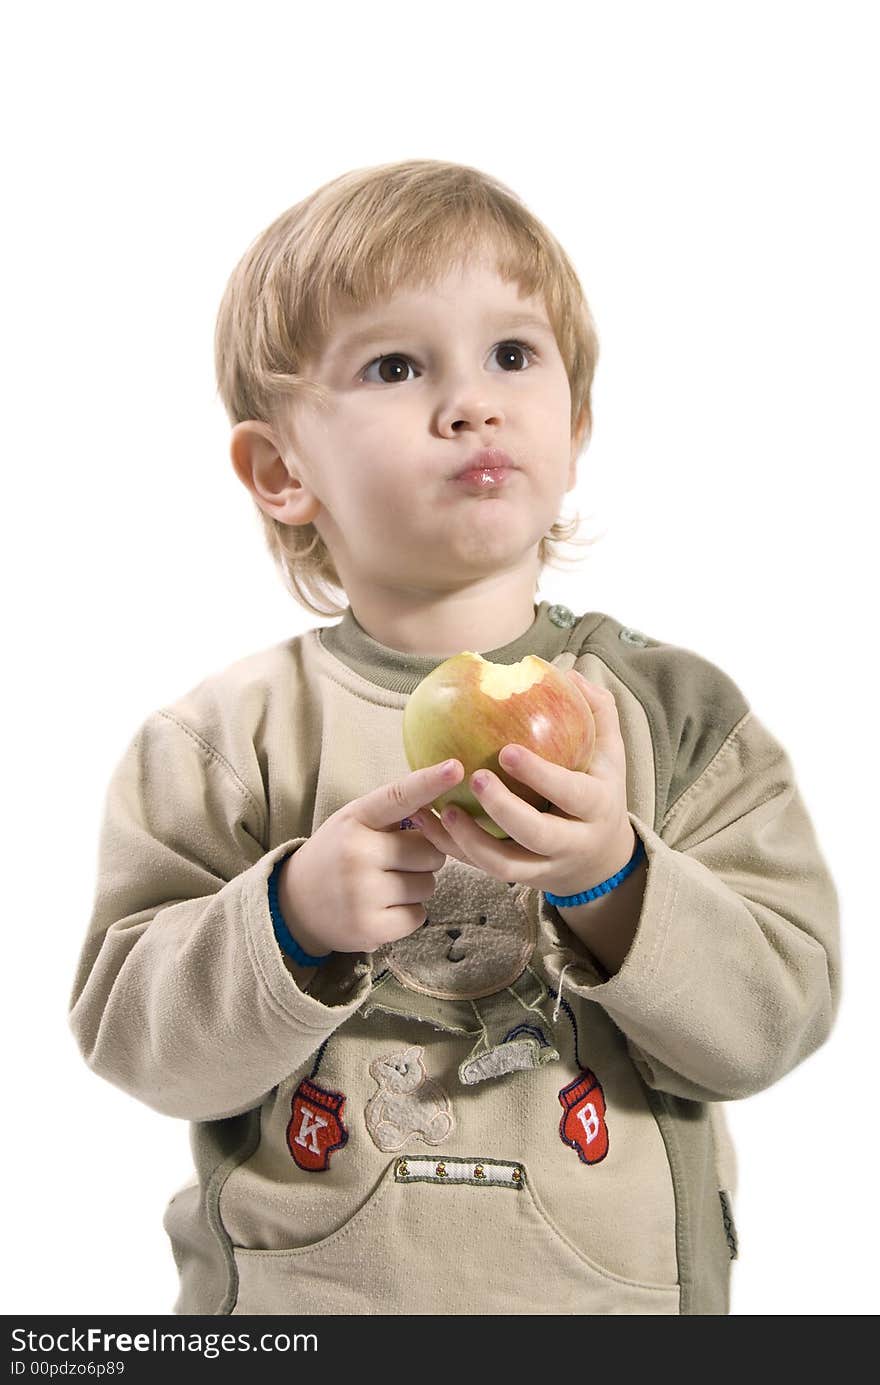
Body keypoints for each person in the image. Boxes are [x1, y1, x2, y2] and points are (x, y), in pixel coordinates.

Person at [68, 159, 840, 1316]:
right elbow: (141, 1043)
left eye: (512, 356)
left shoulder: (680, 722)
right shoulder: (224, 740)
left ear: (574, 426)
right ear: (281, 470)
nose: (469, 401)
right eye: (395, 365)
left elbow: (769, 1026)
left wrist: (614, 878)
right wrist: (290, 917)